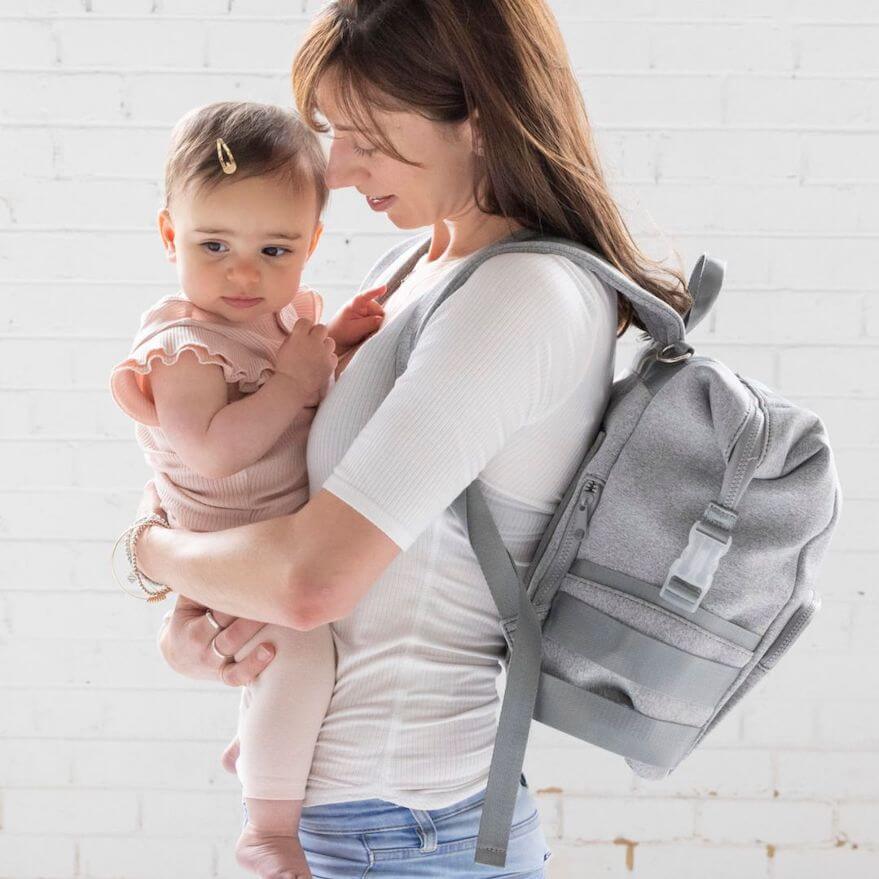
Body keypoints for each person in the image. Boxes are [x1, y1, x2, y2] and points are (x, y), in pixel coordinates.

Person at [129, 2, 690, 876]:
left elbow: (311, 581)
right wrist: (201, 633)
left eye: (368, 137)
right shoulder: (415, 270)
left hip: (407, 827)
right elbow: (295, 538)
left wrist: (148, 549)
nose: (340, 170)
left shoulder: (521, 298)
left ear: (476, 116)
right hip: (357, 819)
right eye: (330, 132)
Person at [110, 100, 387, 879]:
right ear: (170, 236)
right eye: (213, 244)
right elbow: (213, 450)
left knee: (324, 651)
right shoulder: (182, 346)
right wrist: (300, 379)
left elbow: (288, 367)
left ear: (311, 244)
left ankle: (272, 736)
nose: (244, 272)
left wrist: (334, 343)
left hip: (275, 542)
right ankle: (266, 829)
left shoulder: (277, 319)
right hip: (234, 551)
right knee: (298, 651)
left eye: (275, 248)